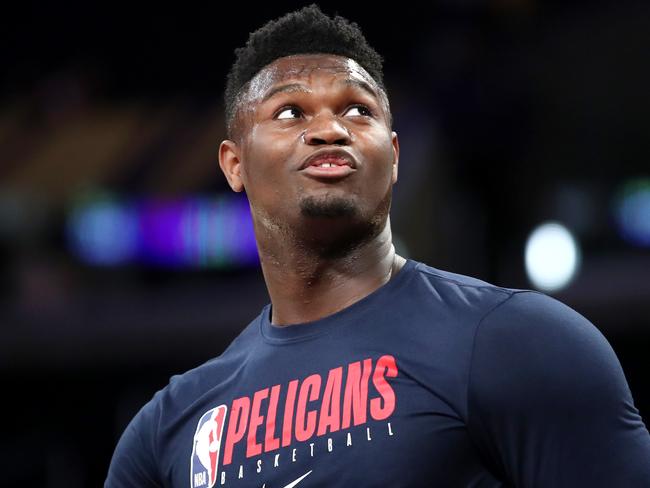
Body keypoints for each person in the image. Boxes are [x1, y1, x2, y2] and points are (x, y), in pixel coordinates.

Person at [105, 4, 650, 487]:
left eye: (357, 110)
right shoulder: (171, 427)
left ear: (392, 155)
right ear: (235, 163)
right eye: (290, 112)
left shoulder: (520, 343)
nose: (330, 129)